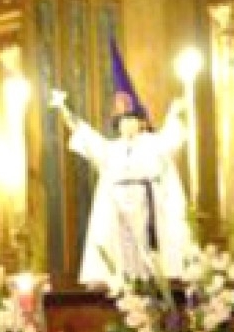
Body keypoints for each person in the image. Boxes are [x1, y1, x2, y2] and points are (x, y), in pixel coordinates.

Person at [50, 39, 193, 287]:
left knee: (151, 257)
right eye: (122, 121)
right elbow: (85, 135)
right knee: (120, 256)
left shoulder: (153, 143)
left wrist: (176, 111)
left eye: (132, 119)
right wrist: (63, 108)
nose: (127, 124)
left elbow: (172, 135)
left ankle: (156, 283)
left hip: (148, 207)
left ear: (142, 122)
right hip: (117, 208)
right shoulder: (111, 149)